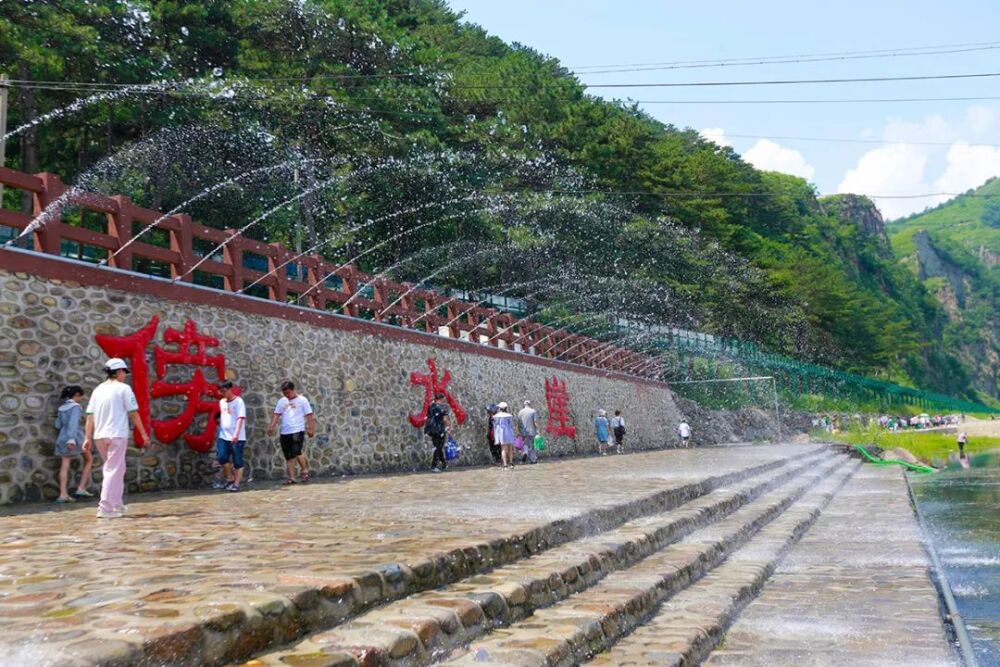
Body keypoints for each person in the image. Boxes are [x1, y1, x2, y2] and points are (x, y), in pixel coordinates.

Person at [83, 358, 148, 519]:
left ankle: (117, 503)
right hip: (117, 434)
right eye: (124, 372)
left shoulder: (97, 389)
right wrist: (143, 433)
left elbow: (90, 416)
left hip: (100, 436)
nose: (125, 376)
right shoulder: (124, 389)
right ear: (118, 372)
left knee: (117, 468)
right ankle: (104, 508)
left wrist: (87, 437)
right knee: (112, 470)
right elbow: (133, 413)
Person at [266, 381, 314, 485]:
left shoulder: (302, 400)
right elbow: (276, 414)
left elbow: (309, 415)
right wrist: (271, 426)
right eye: (285, 394)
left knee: (296, 451)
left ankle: (304, 469)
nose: (287, 395)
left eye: (288, 393)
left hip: (297, 430)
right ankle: (292, 477)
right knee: (288, 455)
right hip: (285, 431)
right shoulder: (282, 401)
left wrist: (310, 428)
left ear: (293, 390)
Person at [53, 385, 94, 503]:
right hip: (75, 437)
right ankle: (81, 488)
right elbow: (73, 423)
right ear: (76, 395)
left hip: (62, 436)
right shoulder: (75, 407)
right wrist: (71, 439)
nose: (81, 398)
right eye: (80, 396)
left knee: (65, 465)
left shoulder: (62, 408)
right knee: (89, 459)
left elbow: (58, 425)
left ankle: (63, 494)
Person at [217, 381, 246, 492]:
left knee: (237, 461)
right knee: (221, 457)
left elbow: (240, 418)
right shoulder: (222, 402)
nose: (223, 393)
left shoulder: (239, 402)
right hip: (224, 436)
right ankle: (230, 478)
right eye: (221, 391)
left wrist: (236, 434)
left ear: (230, 389)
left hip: (237, 437)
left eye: (224, 391)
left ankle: (236, 484)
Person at [425, 393, 452, 472]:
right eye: (444, 398)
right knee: (439, 447)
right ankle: (434, 466)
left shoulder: (431, 406)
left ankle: (443, 463)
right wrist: (448, 428)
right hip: (439, 430)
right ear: (442, 398)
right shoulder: (443, 407)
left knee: (438, 447)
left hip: (431, 430)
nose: (445, 400)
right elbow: (445, 419)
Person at [492, 402, 517, 469]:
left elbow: (495, 425)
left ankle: (505, 465)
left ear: (500, 408)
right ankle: (511, 463)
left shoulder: (496, 416)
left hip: (501, 433)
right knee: (510, 448)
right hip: (509, 432)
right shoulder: (509, 415)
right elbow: (511, 425)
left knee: (503, 448)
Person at [517, 400, 540, 464]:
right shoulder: (533, 411)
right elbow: (535, 422)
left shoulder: (520, 412)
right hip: (532, 431)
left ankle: (525, 453)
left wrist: (518, 431)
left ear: (524, 405)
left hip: (523, 432)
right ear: (530, 404)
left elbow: (518, 423)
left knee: (525, 444)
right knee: (532, 446)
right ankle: (533, 460)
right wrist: (538, 430)